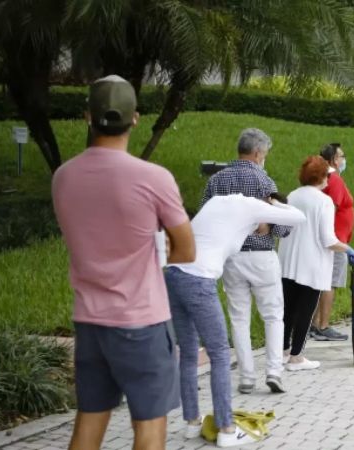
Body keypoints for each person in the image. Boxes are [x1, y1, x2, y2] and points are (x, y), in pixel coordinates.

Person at [53, 75, 196, 450]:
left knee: (89, 420)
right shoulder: (153, 178)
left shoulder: (63, 177)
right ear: (135, 119)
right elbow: (186, 249)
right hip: (141, 323)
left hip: (89, 320)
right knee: (148, 428)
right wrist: (155, 255)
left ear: (88, 116)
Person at [166, 195, 305, 446]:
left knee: (188, 351)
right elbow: (298, 217)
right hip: (199, 280)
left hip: (174, 275)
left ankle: (191, 423)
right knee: (219, 353)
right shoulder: (253, 207)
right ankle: (227, 430)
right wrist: (274, 205)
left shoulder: (217, 201)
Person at [203, 128, 291, 395]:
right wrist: (269, 228)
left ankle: (246, 377)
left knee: (239, 317)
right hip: (263, 257)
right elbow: (283, 227)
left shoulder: (216, 181)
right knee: (273, 315)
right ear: (257, 153)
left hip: (232, 258)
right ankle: (274, 371)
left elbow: (205, 217)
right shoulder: (265, 182)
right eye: (265, 153)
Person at [278, 156, 354, 371]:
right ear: (322, 177)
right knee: (305, 310)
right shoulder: (324, 201)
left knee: (288, 309)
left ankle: (283, 351)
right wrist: (347, 248)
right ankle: (297, 357)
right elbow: (327, 239)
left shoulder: (293, 196)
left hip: (288, 262)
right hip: (311, 264)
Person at [312, 143, 354, 341]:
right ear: (332, 160)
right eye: (341, 156)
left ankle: (313, 325)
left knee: (322, 282)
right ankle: (323, 325)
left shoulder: (324, 179)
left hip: (329, 238)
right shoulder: (335, 180)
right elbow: (332, 209)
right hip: (335, 240)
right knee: (330, 283)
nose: (343, 159)